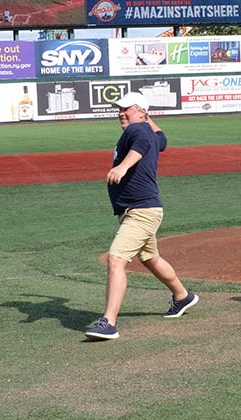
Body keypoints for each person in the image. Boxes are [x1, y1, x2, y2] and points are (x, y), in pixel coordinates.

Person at [85, 92, 198, 340]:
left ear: (141, 112)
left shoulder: (136, 131)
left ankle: (109, 323)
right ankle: (182, 296)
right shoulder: (146, 129)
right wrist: (149, 118)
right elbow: (162, 139)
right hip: (138, 209)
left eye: (127, 108)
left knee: (115, 260)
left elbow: (142, 146)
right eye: (119, 109)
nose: (121, 113)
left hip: (141, 212)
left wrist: (123, 166)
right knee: (150, 257)